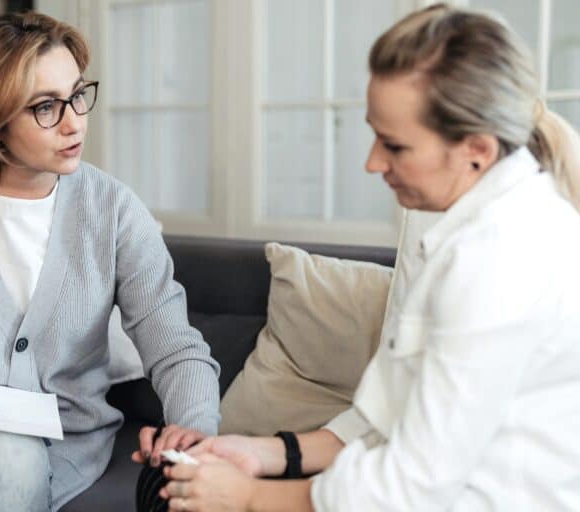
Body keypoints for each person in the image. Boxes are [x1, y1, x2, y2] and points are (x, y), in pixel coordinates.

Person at [160, 4, 580, 511]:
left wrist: (249, 497)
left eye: (395, 145)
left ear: (477, 150)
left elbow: (411, 486)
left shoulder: (501, 260)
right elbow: (387, 420)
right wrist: (266, 454)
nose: (372, 162)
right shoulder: (459, 229)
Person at [0, 11, 220, 511]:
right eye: (46, 107)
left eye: (76, 95)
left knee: (14, 472)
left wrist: (195, 430)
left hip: (73, 442)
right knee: (11, 460)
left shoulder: (113, 210)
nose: (74, 121)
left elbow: (175, 346)